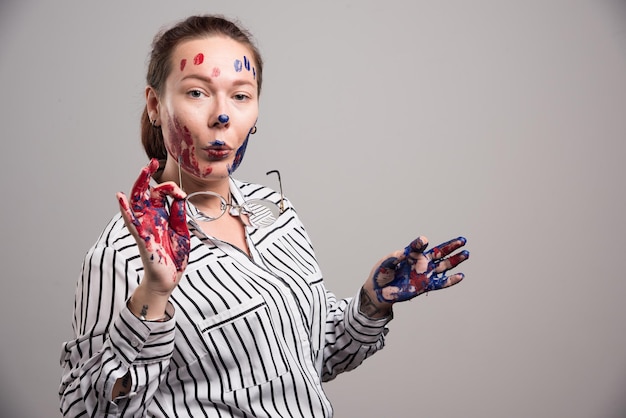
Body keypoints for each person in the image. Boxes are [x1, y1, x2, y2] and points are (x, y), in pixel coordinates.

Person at [59, 14, 469, 417]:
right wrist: (154, 292)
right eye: (197, 93)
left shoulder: (274, 211)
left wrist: (370, 305)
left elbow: (309, 360)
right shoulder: (121, 254)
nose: (222, 115)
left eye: (240, 96)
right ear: (155, 105)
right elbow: (88, 411)